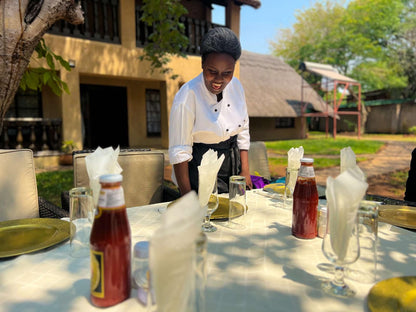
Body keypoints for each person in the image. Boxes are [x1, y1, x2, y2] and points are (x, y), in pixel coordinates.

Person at [168, 27, 252, 195]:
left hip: (232, 162)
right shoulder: (187, 96)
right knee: (208, 215)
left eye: (227, 73)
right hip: (201, 165)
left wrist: (245, 171)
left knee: (237, 213)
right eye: (212, 71)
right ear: (202, 64)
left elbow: (243, 130)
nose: (219, 79)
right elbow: (180, 152)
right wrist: (187, 197)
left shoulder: (236, 87)